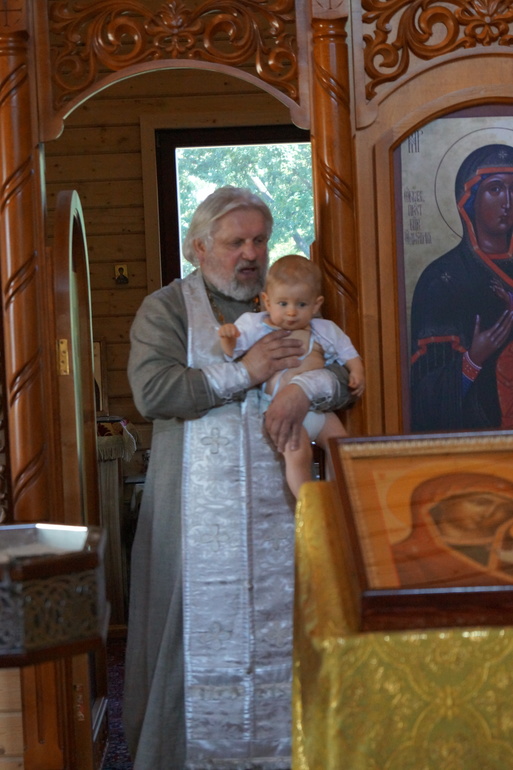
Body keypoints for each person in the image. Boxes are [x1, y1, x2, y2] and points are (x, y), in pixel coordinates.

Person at [122, 186, 357, 770]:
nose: (251, 254)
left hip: (284, 509)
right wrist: (246, 372)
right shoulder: (167, 308)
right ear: (199, 247)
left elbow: (343, 377)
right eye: (236, 242)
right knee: (191, 641)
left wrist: (303, 390)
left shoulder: (288, 299)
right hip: (195, 517)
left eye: (259, 240)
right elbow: (153, 392)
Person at [218, 254, 365, 497]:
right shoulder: (256, 326)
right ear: (267, 301)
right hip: (280, 413)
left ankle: (337, 497)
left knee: (342, 447)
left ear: (316, 305)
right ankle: (307, 502)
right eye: (283, 303)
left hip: (318, 410)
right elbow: (233, 354)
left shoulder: (324, 329)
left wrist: (357, 370)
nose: (291, 312)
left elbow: (346, 351)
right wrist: (228, 339)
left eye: (301, 305)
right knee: (299, 453)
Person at [410, 143, 513, 431]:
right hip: (477, 441)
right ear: (469, 199)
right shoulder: (442, 280)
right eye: (495, 189)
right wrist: (473, 359)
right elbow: (423, 395)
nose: (507, 201)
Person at [392, 472, 513, 587]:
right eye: (480, 502)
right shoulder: (403, 557)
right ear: (443, 502)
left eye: (504, 509)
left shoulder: (507, 552)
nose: (489, 513)